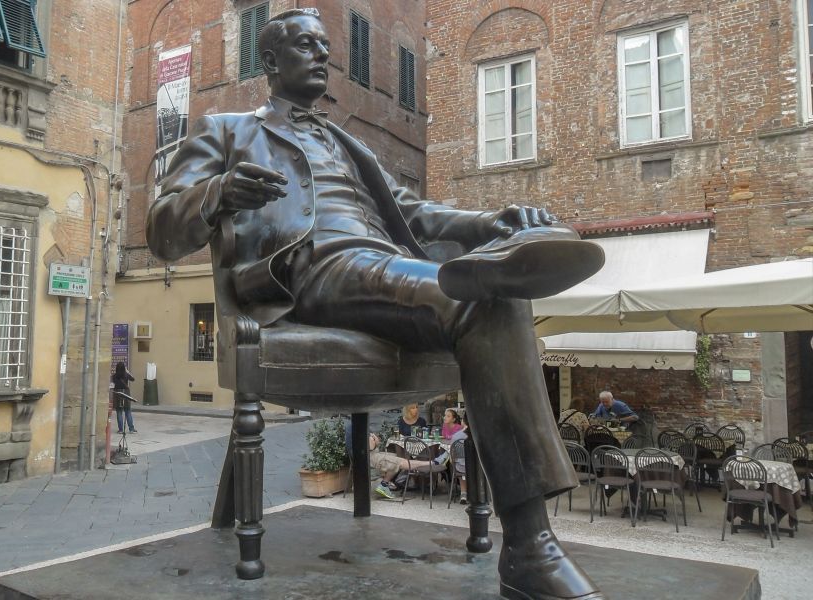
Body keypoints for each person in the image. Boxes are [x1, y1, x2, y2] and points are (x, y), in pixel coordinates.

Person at [146, 9, 605, 598]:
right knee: (479, 291)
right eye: (305, 46)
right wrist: (218, 192)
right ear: (270, 62)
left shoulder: (346, 142)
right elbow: (161, 230)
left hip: (379, 267)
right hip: (308, 275)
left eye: (325, 46)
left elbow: (412, 212)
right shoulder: (230, 130)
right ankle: (531, 550)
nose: (322, 55)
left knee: (493, 296)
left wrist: (490, 220)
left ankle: (530, 544)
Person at [112, 362, 136, 434]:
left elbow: (113, 383)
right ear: (124, 368)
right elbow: (133, 379)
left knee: (119, 412)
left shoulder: (114, 376)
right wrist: (128, 372)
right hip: (126, 393)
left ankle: (121, 430)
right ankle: (131, 429)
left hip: (117, 394)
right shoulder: (126, 375)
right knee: (128, 411)